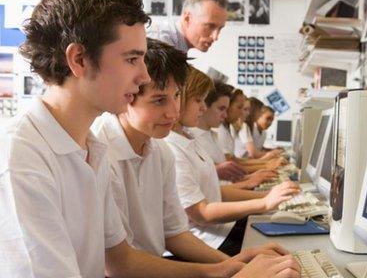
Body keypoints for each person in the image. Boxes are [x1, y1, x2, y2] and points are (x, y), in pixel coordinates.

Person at [0, 0, 299, 277]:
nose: (143, 76)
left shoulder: (91, 147)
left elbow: (120, 260)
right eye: (132, 59)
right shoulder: (21, 160)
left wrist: (225, 269)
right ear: (79, 59)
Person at [94, 37, 293, 265]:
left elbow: (174, 233)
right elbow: (120, 266)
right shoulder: (101, 156)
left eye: (177, 96)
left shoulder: (159, 150)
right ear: (125, 95)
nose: (172, 112)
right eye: (159, 100)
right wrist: (226, 270)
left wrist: (233, 266)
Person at [166, 66, 300, 255]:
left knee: (287, 243)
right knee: (285, 252)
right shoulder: (171, 147)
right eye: (199, 100)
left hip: (219, 230)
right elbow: (201, 212)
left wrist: (268, 197)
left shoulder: (189, 137)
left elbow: (214, 192)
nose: (203, 107)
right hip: (208, 240)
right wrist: (264, 202)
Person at [191, 81, 276, 189]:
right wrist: (263, 166)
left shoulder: (213, 133)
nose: (244, 113)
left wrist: (251, 177)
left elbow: (226, 174)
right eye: (241, 108)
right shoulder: (200, 136)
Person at [148, 0, 228, 53]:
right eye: (210, 26)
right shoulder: (161, 41)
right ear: (187, 19)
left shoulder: (177, 46)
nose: (215, 37)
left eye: (220, 29)